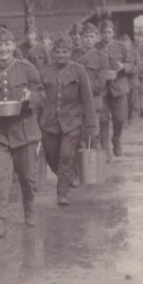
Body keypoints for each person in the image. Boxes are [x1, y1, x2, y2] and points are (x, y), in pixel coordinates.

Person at [0, 27, 45, 236]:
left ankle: (30, 207)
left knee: (27, 176)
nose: (3, 49)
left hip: (24, 131)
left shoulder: (27, 68)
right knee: (0, 178)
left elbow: (42, 96)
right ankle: (1, 220)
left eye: (7, 44)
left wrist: (30, 97)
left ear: (13, 46)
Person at [37, 36, 98, 205]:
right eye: (58, 52)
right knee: (52, 156)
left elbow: (87, 99)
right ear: (53, 53)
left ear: (71, 52)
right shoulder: (44, 72)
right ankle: (69, 174)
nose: (61, 55)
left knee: (66, 155)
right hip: (49, 123)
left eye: (65, 52)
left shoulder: (79, 71)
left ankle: (62, 192)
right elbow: (38, 100)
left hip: (71, 122)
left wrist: (92, 124)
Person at [98, 20, 135, 157]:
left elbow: (132, 64)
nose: (106, 35)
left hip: (119, 88)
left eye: (109, 32)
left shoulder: (121, 47)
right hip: (101, 89)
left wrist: (122, 67)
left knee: (120, 118)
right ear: (100, 34)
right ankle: (106, 150)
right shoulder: (95, 48)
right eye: (104, 32)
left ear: (113, 33)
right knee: (102, 120)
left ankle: (116, 139)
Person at [75, 23, 112, 157]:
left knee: (93, 136)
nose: (88, 39)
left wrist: (80, 86)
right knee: (77, 137)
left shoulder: (102, 57)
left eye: (91, 36)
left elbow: (99, 85)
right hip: (75, 103)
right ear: (81, 38)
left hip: (93, 103)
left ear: (97, 38)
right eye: (85, 36)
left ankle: (94, 169)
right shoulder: (73, 56)